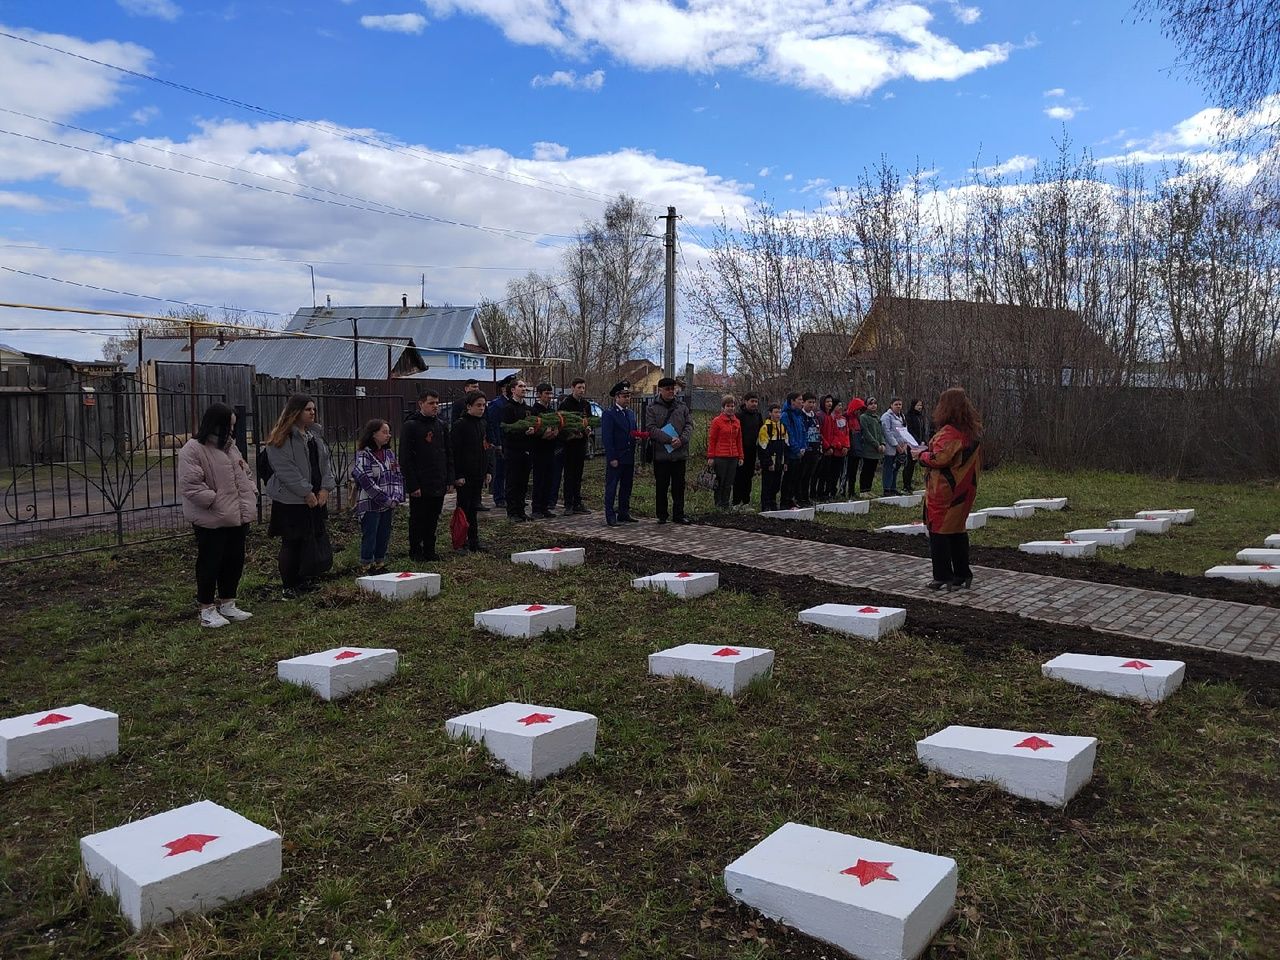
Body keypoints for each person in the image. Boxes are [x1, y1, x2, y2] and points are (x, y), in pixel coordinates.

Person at [179, 402, 255, 626]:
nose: (231, 430)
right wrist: (214, 502)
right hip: (211, 520)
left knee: (234, 561)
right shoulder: (193, 449)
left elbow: (245, 472)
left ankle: (228, 602)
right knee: (210, 562)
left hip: (236, 516)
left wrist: (251, 491)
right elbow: (191, 486)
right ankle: (206, 608)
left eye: (233, 425)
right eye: (228, 425)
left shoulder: (231, 447)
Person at [265, 393, 337, 597]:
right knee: (292, 542)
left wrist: (325, 488)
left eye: (313, 409)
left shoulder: (314, 435)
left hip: (315, 497)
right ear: (295, 412)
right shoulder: (282, 437)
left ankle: (303, 580)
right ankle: (289, 585)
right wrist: (306, 492)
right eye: (308, 409)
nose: (312, 412)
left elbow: (325, 463)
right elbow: (285, 469)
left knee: (308, 540)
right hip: (291, 500)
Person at [914, 388, 983, 591]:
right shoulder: (972, 430)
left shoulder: (949, 433)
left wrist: (922, 456)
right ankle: (962, 573)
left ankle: (942, 575)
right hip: (965, 486)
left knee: (938, 531)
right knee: (957, 530)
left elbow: (940, 458)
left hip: (945, 488)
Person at [399, 389, 455, 561]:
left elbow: (448, 453)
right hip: (420, 482)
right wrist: (413, 484)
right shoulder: (411, 426)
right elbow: (405, 457)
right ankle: (415, 550)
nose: (435, 406)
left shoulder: (441, 425)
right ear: (421, 404)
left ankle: (430, 550)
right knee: (418, 518)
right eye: (431, 403)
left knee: (433, 517)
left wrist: (449, 478)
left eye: (437, 403)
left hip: (437, 479)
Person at [351, 419, 405, 573]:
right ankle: (366, 564)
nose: (388, 436)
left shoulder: (389, 454)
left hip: (389, 504)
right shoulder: (364, 455)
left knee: (384, 533)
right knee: (370, 533)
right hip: (370, 504)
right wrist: (384, 499)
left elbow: (397, 476)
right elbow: (365, 480)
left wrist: (395, 497)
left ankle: (380, 562)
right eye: (384, 432)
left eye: (389, 432)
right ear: (373, 434)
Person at [646, 376, 694, 525]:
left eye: (673, 389)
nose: (671, 392)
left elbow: (689, 425)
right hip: (662, 454)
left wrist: (682, 439)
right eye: (667, 389)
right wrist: (668, 439)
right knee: (662, 486)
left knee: (679, 486)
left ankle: (679, 514)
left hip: (679, 453)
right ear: (660, 390)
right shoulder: (652, 408)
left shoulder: (682, 407)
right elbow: (651, 428)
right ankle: (662, 515)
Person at [451, 390, 491, 552]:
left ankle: (474, 541)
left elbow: (485, 448)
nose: (482, 409)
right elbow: (455, 452)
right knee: (464, 509)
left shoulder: (482, 424)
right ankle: (460, 541)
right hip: (465, 476)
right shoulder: (460, 425)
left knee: (474, 509)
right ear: (468, 406)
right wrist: (458, 475)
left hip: (478, 474)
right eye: (478, 405)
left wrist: (488, 470)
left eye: (483, 405)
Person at [601, 380, 639, 526]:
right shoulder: (609, 414)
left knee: (626, 486)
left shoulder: (630, 413)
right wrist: (612, 457)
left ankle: (623, 512)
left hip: (628, 456)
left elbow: (632, 432)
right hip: (617, 457)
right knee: (612, 486)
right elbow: (607, 437)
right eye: (624, 396)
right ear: (617, 397)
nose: (627, 399)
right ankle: (610, 515)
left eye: (628, 396)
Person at [499, 378, 535, 522]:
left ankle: (521, 510)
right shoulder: (508, 408)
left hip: (526, 451)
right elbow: (506, 430)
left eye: (525, 386)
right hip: (513, 450)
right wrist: (522, 433)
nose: (524, 389)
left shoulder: (527, 409)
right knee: (513, 482)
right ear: (513, 390)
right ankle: (512, 512)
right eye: (520, 386)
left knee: (523, 482)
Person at [557, 377, 592, 514]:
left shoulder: (585, 404)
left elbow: (588, 420)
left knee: (578, 474)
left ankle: (578, 502)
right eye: (579, 388)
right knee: (569, 474)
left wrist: (588, 429)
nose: (581, 390)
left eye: (583, 388)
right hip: (569, 444)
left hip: (581, 443)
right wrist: (570, 434)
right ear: (572, 388)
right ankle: (568, 504)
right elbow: (561, 424)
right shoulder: (566, 404)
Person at [529, 382, 562, 519]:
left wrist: (556, 433)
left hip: (550, 449)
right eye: (546, 394)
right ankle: (536, 507)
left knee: (549, 478)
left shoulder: (551, 411)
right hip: (538, 450)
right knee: (539, 479)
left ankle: (545, 506)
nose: (549, 396)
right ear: (539, 395)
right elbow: (533, 429)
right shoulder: (534, 410)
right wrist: (542, 434)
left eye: (550, 393)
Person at [706, 395, 745, 510]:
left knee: (729, 483)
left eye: (732, 406)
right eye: (728, 406)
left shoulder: (737, 422)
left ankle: (726, 504)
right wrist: (711, 456)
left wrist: (741, 456)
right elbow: (712, 439)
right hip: (720, 456)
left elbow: (739, 440)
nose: (731, 408)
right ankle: (718, 504)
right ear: (723, 407)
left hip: (733, 457)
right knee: (720, 482)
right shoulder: (717, 421)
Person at [732, 392, 763, 508]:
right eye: (752, 401)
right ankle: (736, 501)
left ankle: (746, 501)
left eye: (756, 401)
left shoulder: (758, 415)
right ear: (746, 402)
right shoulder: (739, 416)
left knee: (748, 476)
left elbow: (761, 432)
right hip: (740, 450)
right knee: (738, 476)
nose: (754, 404)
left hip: (752, 451)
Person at [880, 397, 915, 496]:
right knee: (889, 467)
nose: (898, 406)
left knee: (896, 467)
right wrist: (896, 445)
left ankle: (893, 487)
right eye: (896, 404)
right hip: (891, 446)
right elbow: (887, 432)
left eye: (900, 404)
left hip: (902, 445)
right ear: (891, 405)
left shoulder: (902, 416)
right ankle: (887, 488)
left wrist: (905, 444)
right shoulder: (887, 416)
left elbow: (905, 431)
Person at [778, 392, 808, 509]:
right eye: (799, 400)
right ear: (792, 401)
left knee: (796, 478)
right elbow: (789, 434)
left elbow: (803, 432)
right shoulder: (786, 415)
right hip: (791, 453)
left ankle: (792, 499)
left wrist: (804, 447)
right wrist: (796, 449)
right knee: (788, 478)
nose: (801, 402)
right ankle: (785, 501)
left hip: (800, 452)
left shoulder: (799, 415)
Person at [757, 403, 789, 511]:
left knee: (776, 484)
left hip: (780, 461)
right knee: (767, 484)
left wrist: (785, 462)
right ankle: (765, 504)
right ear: (770, 413)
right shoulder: (765, 428)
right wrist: (768, 462)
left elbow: (786, 446)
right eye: (775, 412)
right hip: (770, 462)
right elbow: (763, 447)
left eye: (779, 412)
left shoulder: (782, 427)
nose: (778, 414)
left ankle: (773, 502)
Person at [819, 400, 851, 499]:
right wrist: (838, 445)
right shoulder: (832, 418)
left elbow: (846, 434)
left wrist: (846, 446)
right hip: (834, 449)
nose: (840, 407)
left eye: (841, 405)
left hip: (843, 451)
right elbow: (833, 434)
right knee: (830, 473)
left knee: (838, 473)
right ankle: (827, 491)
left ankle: (835, 491)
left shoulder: (844, 419)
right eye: (838, 405)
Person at [485, 376, 509, 508]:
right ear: (504, 389)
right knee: (500, 471)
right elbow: (493, 424)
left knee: (508, 472)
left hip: (510, 443)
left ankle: (507, 495)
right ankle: (499, 497)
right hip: (501, 442)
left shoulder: (510, 403)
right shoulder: (497, 404)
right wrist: (496, 442)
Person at [857, 397, 886, 496]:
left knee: (872, 470)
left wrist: (882, 443)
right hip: (868, 448)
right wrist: (876, 444)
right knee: (866, 469)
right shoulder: (864, 417)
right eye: (871, 404)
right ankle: (863, 490)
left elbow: (880, 432)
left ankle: (868, 489)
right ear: (867, 406)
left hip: (877, 449)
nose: (873, 405)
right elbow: (866, 433)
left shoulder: (877, 418)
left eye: (875, 403)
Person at [799, 392, 823, 505]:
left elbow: (817, 432)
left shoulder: (814, 416)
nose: (812, 405)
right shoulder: (800, 416)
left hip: (814, 449)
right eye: (809, 402)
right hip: (804, 450)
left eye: (813, 402)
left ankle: (806, 497)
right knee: (802, 475)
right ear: (803, 402)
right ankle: (799, 497)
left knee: (809, 475)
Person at [903, 398, 928, 495]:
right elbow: (910, 430)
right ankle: (906, 485)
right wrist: (916, 441)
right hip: (911, 443)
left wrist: (923, 441)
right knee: (909, 464)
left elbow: (922, 429)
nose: (920, 407)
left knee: (913, 465)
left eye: (921, 405)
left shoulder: (921, 417)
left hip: (920, 443)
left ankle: (909, 484)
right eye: (918, 405)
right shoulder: (909, 416)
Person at [844, 396, 866, 497]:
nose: (859, 412)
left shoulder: (858, 419)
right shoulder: (846, 417)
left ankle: (852, 491)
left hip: (857, 448)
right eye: (858, 409)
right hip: (849, 447)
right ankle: (843, 490)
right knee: (846, 471)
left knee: (853, 472)